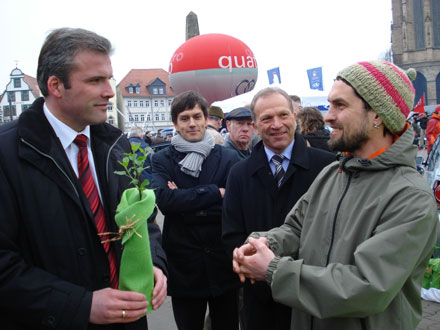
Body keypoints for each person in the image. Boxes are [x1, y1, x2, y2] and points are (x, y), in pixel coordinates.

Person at [232, 60, 439, 330]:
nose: (328, 116)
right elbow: (296, 228)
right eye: (330, 105)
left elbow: (366, 287)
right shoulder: (333, 174)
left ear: (377, 115)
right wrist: (263, 244)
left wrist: (273, 270)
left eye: (340, 106)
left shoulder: (410, 197)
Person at [0, 28, 167, 329]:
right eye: (95, 81)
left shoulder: (117, 145)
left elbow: (143, 219)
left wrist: (153, 263)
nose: (108, 91)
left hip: (128, 320)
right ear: (55, 86)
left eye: (109, 79)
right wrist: (80, 305)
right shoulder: (7, 153)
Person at [222, 87, 335, 330]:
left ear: (295, 116)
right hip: (260, 299)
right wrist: (253, 267)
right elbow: (231, 234)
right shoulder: (239, 174)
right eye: (266, 118)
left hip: (311, 296)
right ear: (255, 125)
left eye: (283, 115)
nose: (276, 124)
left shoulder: (327, 166)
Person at [151, 91, 241, 330]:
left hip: (223, 262)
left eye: (197, 116)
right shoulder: (162, 160)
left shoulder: (228, 158)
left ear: (205, 118)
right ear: (175, 124)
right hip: (184, 265)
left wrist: (184, 200)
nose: (192, 123)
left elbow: (233, 205)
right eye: (184, 118)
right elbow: (166, 202)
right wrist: (214, 193)